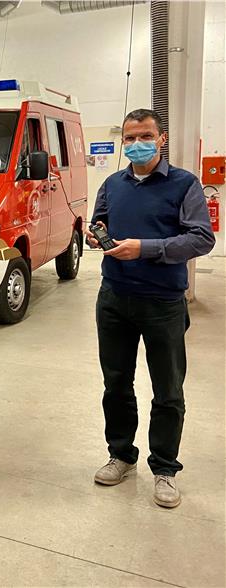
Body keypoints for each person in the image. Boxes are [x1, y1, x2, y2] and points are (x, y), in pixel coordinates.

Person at [86, 108, 215, 508]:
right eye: (129, 137)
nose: (136, 143)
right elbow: (99, 222)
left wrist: (146, 248)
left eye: (144, 135)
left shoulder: (184, 184)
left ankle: (164, 468)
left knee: (168, 390)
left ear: (161, 139)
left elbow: (201, 239)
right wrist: (97, 237)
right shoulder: (112, 183)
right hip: (114, 299)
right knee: (117, 384)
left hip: (163, 302)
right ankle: (121, 454)